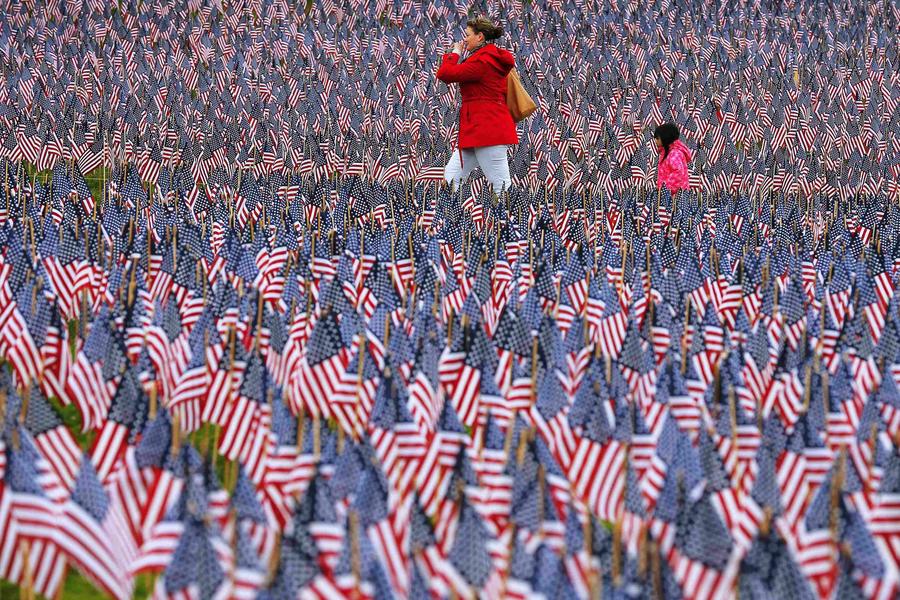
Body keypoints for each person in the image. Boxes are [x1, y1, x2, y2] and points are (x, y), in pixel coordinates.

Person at [437, 15, 518, 196]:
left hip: (488, 131)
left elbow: (445, 73)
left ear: (480, 36)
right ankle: (448, 220)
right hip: (476, 130)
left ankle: (511, 222)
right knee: (450, 181)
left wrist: (455, 53)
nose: (464, 39)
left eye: (467, 35)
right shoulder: (485, 58)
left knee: (501, 187)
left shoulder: (483, 61)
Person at [654, 122, 692, 194]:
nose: (655, 141)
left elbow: (678, 173)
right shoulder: (665, 152)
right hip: (667, 194)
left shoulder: (675, 153)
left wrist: (664, 188)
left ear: (666, 138)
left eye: (657, 138)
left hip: (675, 196)